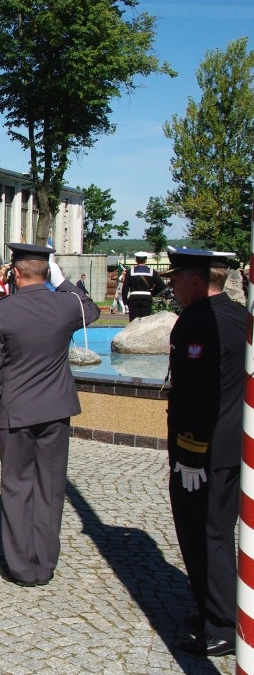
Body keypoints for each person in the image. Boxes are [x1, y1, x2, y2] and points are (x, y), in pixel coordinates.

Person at [0, 243, 99, 587]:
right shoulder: (64, 305)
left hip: (16, 413)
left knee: (17, 487)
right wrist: (63, 285)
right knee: (50, 486)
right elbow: (90, 310)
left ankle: (21, 566)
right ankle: (44, 563)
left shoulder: (1, 312)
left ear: (16, 274)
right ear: (48, 273)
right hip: (56, 410)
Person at [160, 248, 245, 657]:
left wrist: (190, 452)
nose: (173, 287)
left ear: (196, 281)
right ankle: (215, 608)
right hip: (232, 445)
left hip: (204, 451)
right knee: (215, 532)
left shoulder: (197, 323)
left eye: (176, 279)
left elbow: (197, 395)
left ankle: (223, 625)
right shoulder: (238, 316)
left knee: (204, 535)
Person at [123, 251, 166, 321]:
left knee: (133, 322)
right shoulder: (152, 272)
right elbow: (161, 285)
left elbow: (125, 287)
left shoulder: (130, 272)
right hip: (146, 298)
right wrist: (152, 293)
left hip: (133, 298)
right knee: (145, 321)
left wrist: (125, 300)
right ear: (146, 260)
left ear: (136, 260)